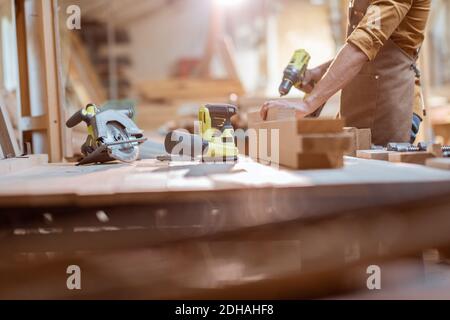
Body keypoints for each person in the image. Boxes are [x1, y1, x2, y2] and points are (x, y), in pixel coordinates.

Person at [260, 0, 431, 146]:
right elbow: (369, 49)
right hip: (360, 101)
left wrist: (307, 104)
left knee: (378, 178)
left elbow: (365, 43)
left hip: (392, 104)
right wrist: (319, 74)